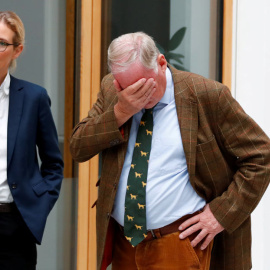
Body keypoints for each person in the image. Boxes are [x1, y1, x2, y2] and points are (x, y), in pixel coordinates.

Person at [70, 32, 270, 270]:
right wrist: (120, 112)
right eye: (126, 88)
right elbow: (78, 147)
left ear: (161, 64)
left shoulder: (207, 95)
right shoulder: (113, 93)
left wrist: (220, 215)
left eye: (144, 86)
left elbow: (261, 157)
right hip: (125, 244)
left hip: (180, 244)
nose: (137, 97)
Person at [0, 11, 63, 270]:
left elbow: (53, 163)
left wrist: (36, 207)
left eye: (1, 43)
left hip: (13, 226)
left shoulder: (34, 98)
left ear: (17, 50)